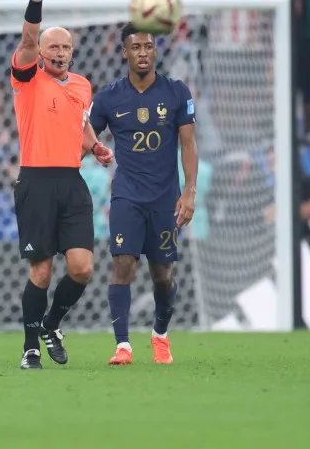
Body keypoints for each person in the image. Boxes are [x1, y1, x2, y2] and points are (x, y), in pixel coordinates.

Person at [11, 0, 114, 370]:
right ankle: (30, 347)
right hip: (36, 180)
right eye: (51, 47)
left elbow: (80, 124)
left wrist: (95, 147)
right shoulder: (26, 77)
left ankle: (52, 324)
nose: (57, 52)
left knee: (82, 268)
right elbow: (28, 36)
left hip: (71, 181)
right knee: (41, 270)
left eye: (65, 48)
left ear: (73, 52)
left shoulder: (82, 85)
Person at [90, 23, 198, 365]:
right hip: (127, 194)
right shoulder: (108, 96)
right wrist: (95, 148)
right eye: (135, 47)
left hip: (166, 198)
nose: (142, 53)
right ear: (124, 52)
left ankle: (160, 335)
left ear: (156, 51)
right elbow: (86, 132)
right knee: (123, 264)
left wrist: (190, 192)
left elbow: (188, 143)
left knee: (163, 274)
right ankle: (122, 345)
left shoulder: (177, 92)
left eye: (148, 47)